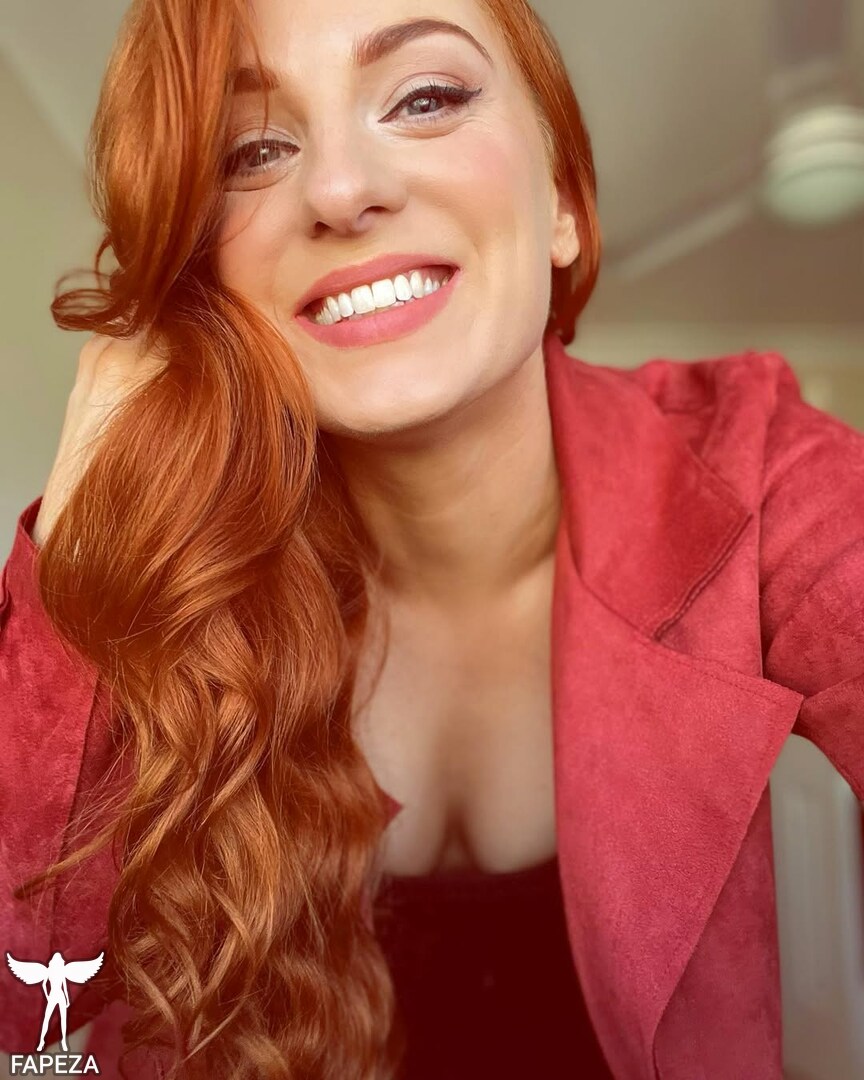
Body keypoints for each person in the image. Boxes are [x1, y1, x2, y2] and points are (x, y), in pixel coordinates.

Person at [2, 1, 864, 1079]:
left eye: (426, 98)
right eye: (254, 151)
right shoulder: (173, 580)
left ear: (563, 201)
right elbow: (20, 1003)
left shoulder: (755, 465)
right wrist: (84, 554)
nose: (340, 190)